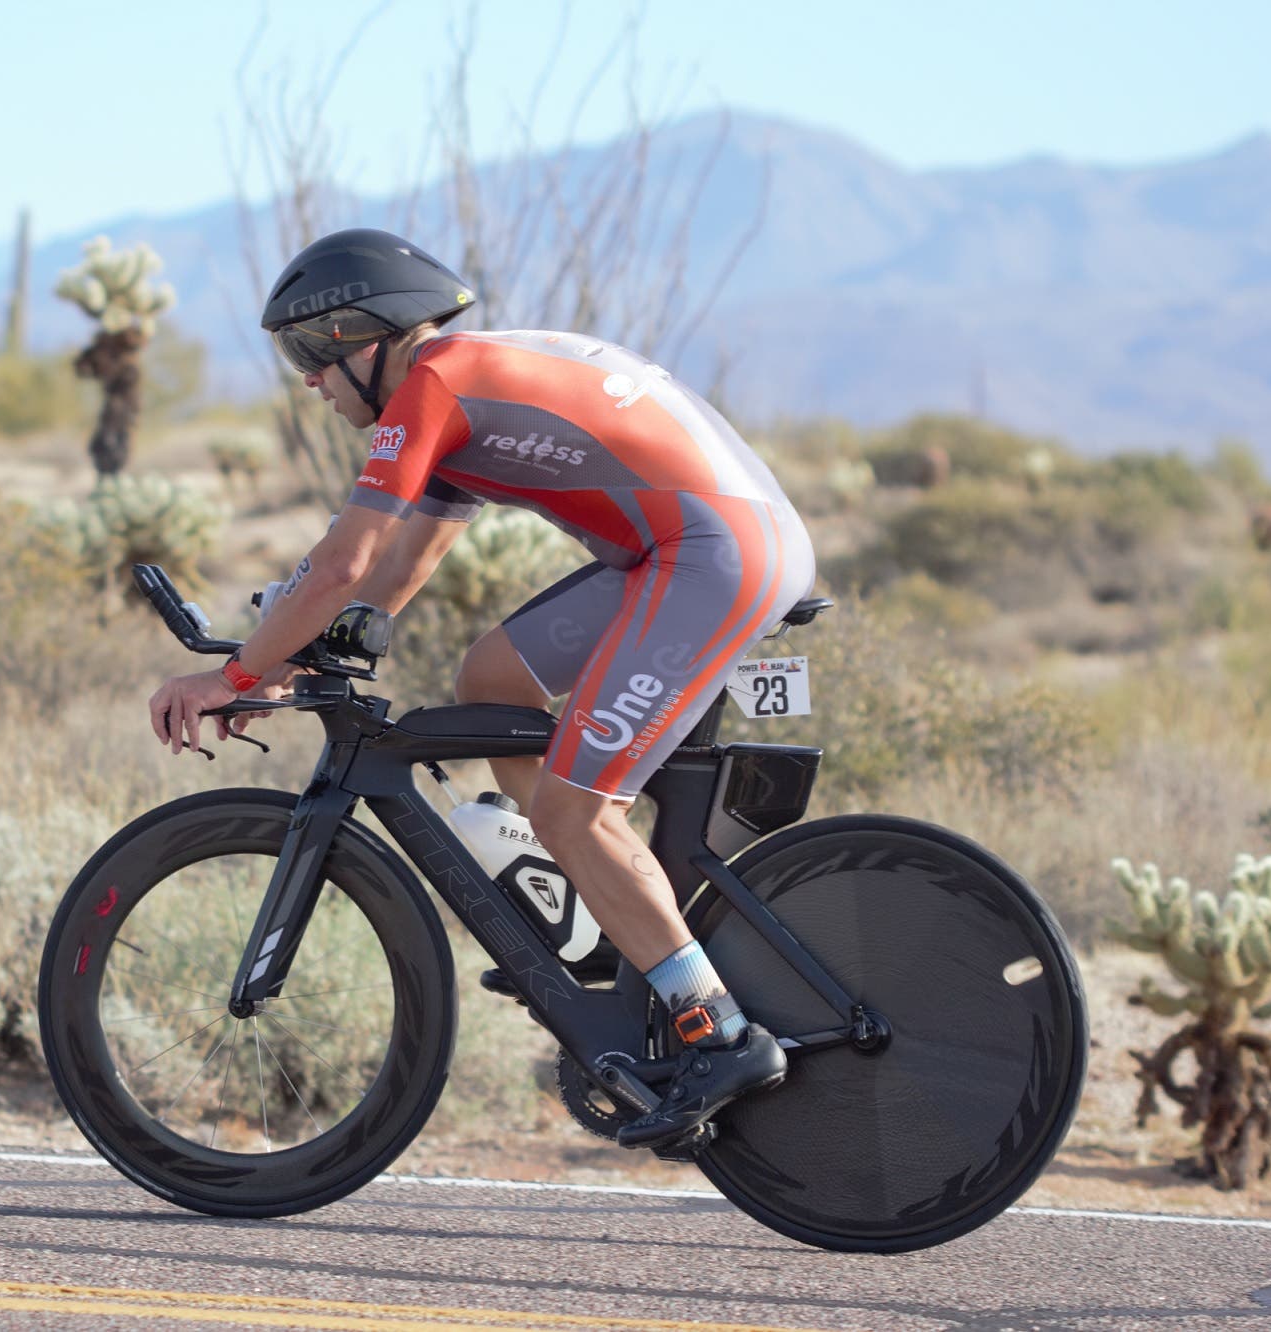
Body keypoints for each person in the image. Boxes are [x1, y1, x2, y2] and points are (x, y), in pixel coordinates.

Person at [146, 228, 815, 1149]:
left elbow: (343, 563)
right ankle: (585, 911)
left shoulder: (433, 386)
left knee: (578, 810)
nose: (307, 380)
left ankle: (720, 1031)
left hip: (710, 555)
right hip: (692, 547)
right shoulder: (459, 398)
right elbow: (391, 572)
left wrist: (230, 676)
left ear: (364, 335)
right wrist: (294, 660)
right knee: (490, 680)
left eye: (311, 354)